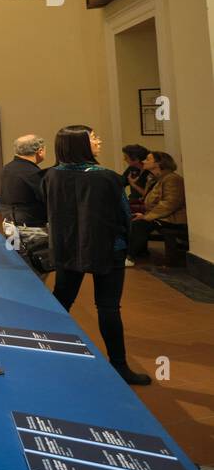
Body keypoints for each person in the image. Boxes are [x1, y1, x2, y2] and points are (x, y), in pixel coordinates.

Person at [43, 125, 151, 385]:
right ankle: (119, 366)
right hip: (107, 248)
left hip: (68, 247)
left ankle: (50, 353)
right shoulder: (107, 177)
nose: (98, 140)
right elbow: (123, 215)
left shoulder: (50, 176)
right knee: (108, 307)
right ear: (80, 143)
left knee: (61, 301)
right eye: (93, 137)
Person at [127, 151, 186, 263]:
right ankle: (138, 252)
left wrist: (146, 217)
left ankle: (130, 255)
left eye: (148, 159)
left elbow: (170, 203)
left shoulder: (172, 179)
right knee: (132, 219)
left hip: (171, 218)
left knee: (139, 224)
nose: (144, 161)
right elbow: (148, 199)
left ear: (159, 163)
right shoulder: (155, 179)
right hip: (159, 216)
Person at [0, 134, 47, 226]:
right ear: (40, 151)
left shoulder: (6, 168)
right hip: (32, 227)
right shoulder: (33, 173)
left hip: (9, 223)